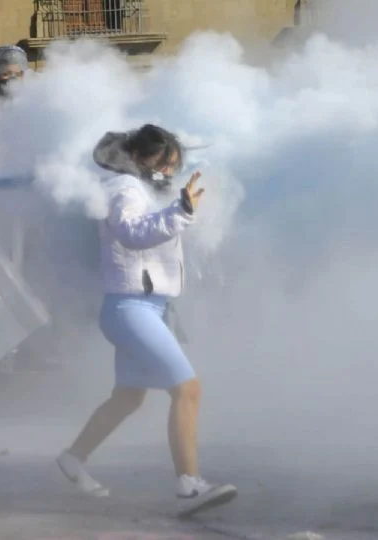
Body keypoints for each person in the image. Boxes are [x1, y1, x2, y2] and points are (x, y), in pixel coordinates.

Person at [56, 125, 236, 518]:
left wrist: (181, 211)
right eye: (165, 163)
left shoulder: (141, 188)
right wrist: (181, 211)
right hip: (130, 308)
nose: (170, 172)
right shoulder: (125, 189)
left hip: (146, 307)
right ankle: (189, 486)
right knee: (187, 390)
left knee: (129, 397)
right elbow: (133, 234)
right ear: (141, 157)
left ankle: (73, 459)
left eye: (174, 165)